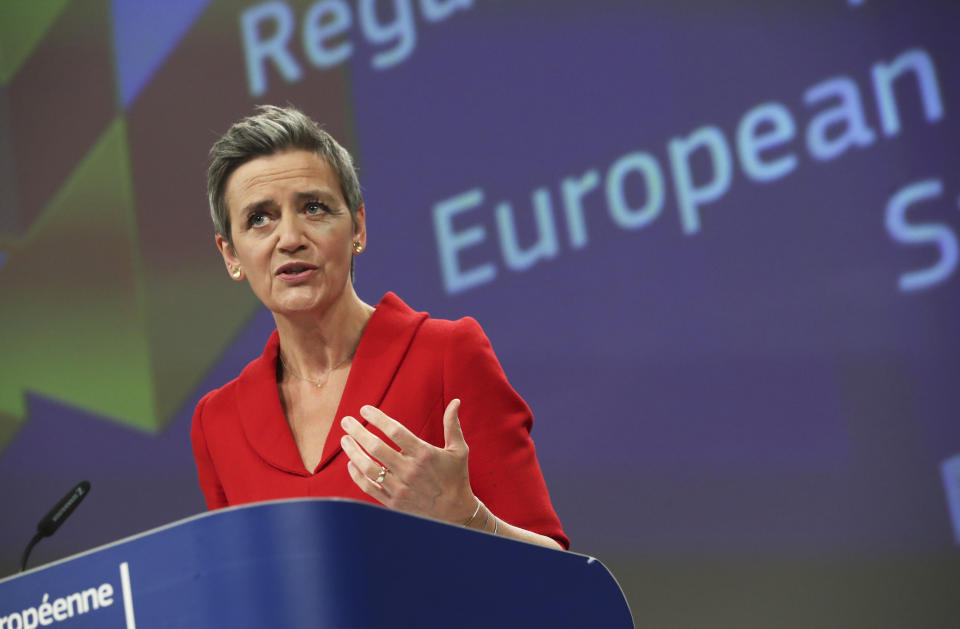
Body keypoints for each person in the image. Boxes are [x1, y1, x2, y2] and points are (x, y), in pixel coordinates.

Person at [191, 105, 567, 550]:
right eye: (259, 218)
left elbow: (559, 574)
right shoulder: (218, 422)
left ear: (358, 227)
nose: (289, 237)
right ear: (230, 254)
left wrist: (468, 519)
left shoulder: (447, 355)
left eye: (313, 208)